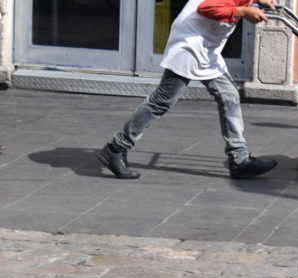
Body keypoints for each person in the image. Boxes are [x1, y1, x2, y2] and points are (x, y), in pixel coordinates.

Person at [98, 0, 278, 179]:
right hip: (189, 45)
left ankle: (239, 160)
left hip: (206, 49)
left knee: (229, 96)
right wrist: (244, 11)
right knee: (161, 101)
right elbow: (207, 7)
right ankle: (116, 149)